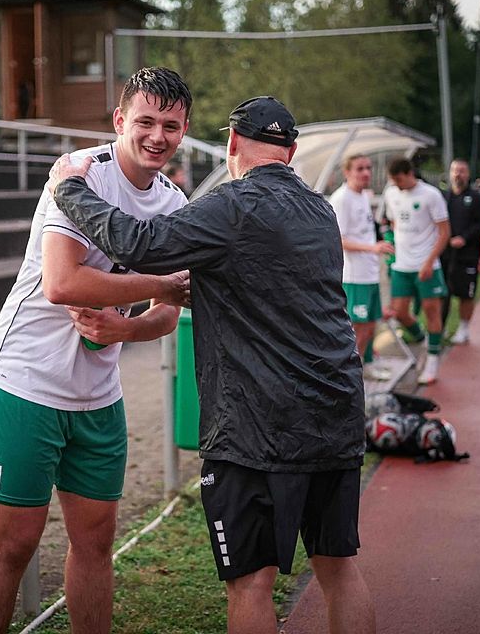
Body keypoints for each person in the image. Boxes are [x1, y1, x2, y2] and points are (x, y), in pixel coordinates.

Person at [48, 95, 375, 634]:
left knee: (251, 582)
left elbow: (142, 244)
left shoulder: (232, 205)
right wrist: (133, 325)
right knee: (339, 571)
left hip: (256, 430)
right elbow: (264, 291)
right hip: (336, 416)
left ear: (231, 145)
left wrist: (69, 187)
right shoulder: (321, 211)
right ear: (291, 152)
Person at [0, 67, 193, 634]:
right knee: (14, 545)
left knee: (95, 542)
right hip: (28, 380)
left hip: (98, 395)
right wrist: (158, 286)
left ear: (185, 130)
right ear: (120, 120)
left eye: (170, 125)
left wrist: (126, 330)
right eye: (145, 121)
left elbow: (170, 313)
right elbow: (62, 283)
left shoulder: (174, 201)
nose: (157, 136)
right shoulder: (78, 176)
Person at [383, 156, 450, 385]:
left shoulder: (430, 195)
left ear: (409, 173)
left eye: (398, 180)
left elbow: (444, 232)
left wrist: (429, 261)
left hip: (426, 265)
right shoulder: (391, 194)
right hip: (402, 265)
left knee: (432, 311)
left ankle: (432, 360)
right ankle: (424, 341)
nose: (396, 185)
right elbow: (394, 223)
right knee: (399, 312)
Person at [329, 154, 395, 380]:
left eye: (368, 168)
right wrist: (372, 249)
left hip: (369, 273)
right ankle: (349, 375)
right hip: (354, 276)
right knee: (359, 327)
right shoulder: (342, 198)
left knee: (371, 323)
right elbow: (339, 240)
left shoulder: (363, 196)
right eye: (360, 169)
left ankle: (366, 365)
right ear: (347, 172)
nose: (366, 172)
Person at [440, 159, 480, 345]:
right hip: (445, 254)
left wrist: (465, 238)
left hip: (467, 255)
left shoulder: (477, 199)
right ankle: (441, 327)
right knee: (443, 293)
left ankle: (463, 328)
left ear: (467, 174)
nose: (457, 174)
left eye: (461, 171)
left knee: (465, 294)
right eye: (454, 170)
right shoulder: (443, 197)